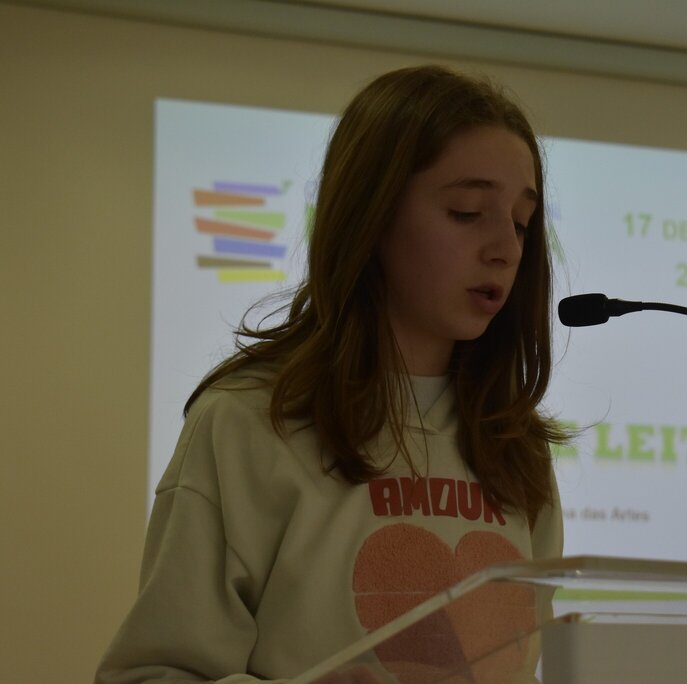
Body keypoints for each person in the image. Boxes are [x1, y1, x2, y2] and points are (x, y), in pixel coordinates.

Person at [96, 64, 568, 684]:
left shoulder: (516, 447)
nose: (505, 248)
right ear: (371, 214)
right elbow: (150, 674)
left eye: (522, 222)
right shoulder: (248, 421)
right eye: (466, 211)